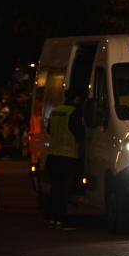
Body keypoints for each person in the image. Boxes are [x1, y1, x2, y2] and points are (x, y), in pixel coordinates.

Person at [45, 89, 85, 230]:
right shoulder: (74, 112)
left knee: (55, 189)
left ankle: (52, 218)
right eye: (79, 99)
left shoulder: (56, 111)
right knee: (63, 190)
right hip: (67, 157)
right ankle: (62, 220)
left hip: (53, 156)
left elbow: (49, 130)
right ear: (75, 99)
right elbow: (80, 134)